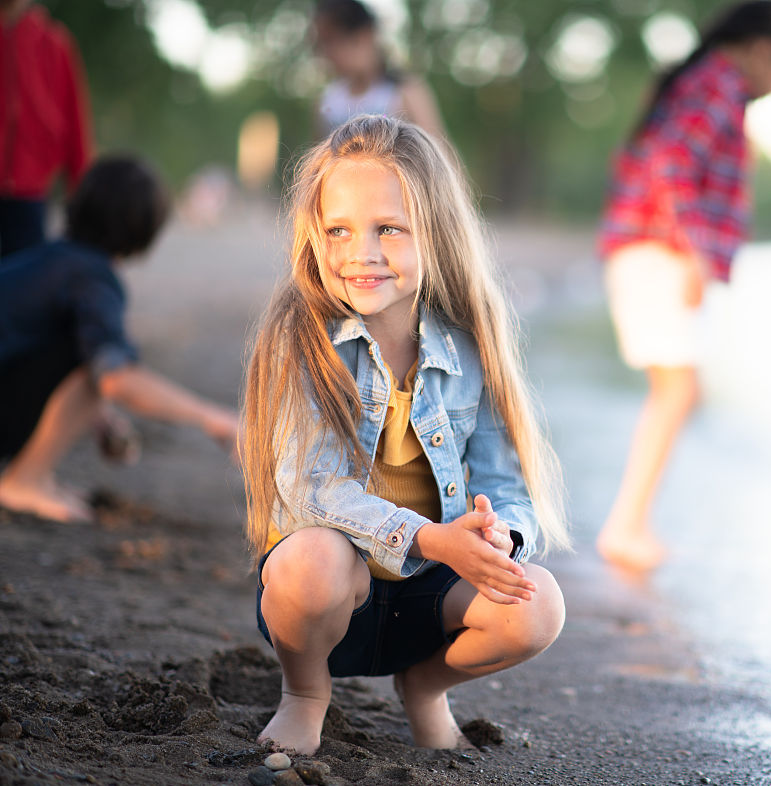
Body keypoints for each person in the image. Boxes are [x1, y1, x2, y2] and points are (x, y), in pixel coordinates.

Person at [241, 115, 569, 754]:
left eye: (388, 228)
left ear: (437, 235)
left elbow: (504, 483)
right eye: (338, 230)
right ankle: (305, 694)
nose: (360, 252)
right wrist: (428, 537)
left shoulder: (472, 348)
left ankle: (424, 686)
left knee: (537, 606)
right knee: (312, 559)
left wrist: (501, 535)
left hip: (430, 591)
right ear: (314, 236)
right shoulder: (303, 340)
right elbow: (310, 489)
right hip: (336, 591)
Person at [595, 1, 771, 571]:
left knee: (682, 390)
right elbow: (670, 163)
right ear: (763, 50)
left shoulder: (704, 83)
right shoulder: (716, 86)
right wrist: (691, 250)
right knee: (679, 390)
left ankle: (634, 521)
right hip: (660, 250)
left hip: (653, 248)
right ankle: (627, 525)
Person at [0, 156, 240, 522]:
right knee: (98, 365)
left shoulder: (52, 259)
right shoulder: (93, 277)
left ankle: (35, 475)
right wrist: (214, 418)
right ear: (144, 230)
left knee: (89, 355)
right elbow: (117, 379)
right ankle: (24, 480)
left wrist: (98, 415)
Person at [0, 0, 92, 258]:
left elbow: (75, 121)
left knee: (22, 281)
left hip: (30, 189)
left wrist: (81, 192)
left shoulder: (54, 42)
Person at [311, 0, 445, 141]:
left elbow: (438, 154)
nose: (326, 53)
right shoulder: (327, 102)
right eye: (322, 44)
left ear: (364, 35)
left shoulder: (405, 93)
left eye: (332, 40)